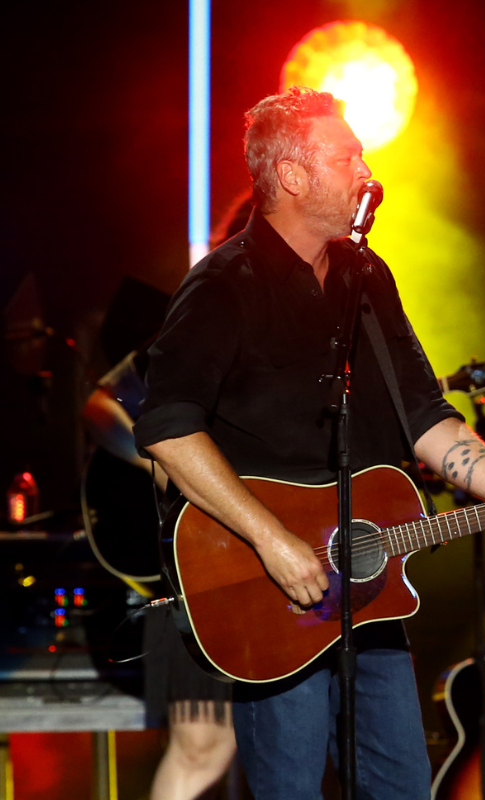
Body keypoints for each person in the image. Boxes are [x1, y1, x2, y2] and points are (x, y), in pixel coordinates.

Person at [131, 86, 485, 800]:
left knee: (402, 788)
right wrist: (273, 542)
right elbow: (167, 430)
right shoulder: (223, 283)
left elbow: (425, 415)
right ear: (292, 176)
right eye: (345, 155)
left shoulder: (366, 277)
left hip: (368, 597)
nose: (365, 168)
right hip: (267, 591)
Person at [81, 196, 254, 800]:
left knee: (258, 738)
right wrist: (161, 458)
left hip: (256, 561)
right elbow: (102, 405)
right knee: (203, 743)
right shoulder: (199, 321)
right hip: (188, 563)